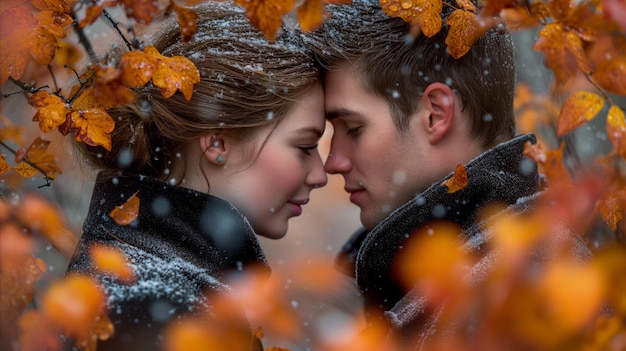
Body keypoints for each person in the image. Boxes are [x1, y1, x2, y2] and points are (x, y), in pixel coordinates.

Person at [303, 0, 592, 348]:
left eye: (352, 128)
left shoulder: (516, 291)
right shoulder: (461, 280)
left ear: (435, 115)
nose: (332, 162)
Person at [64, 2, 327, 350]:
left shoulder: (154, 284)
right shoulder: (150, 308)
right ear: (218, 143)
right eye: (305, 146)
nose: (321, 174)